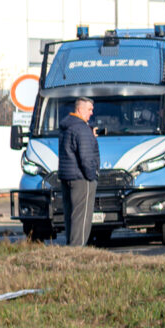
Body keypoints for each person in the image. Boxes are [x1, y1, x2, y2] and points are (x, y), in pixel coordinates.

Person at [57, 96, 100, 247]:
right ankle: (77, 252)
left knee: (70, 217)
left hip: (66, 176)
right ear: (80, 109)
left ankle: (70, 249)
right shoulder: (82, 129)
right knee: (82, 218)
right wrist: (92, 176)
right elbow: (86, 158)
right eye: (89, 110)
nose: (91, 113)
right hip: (81, 178)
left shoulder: (66, 127)